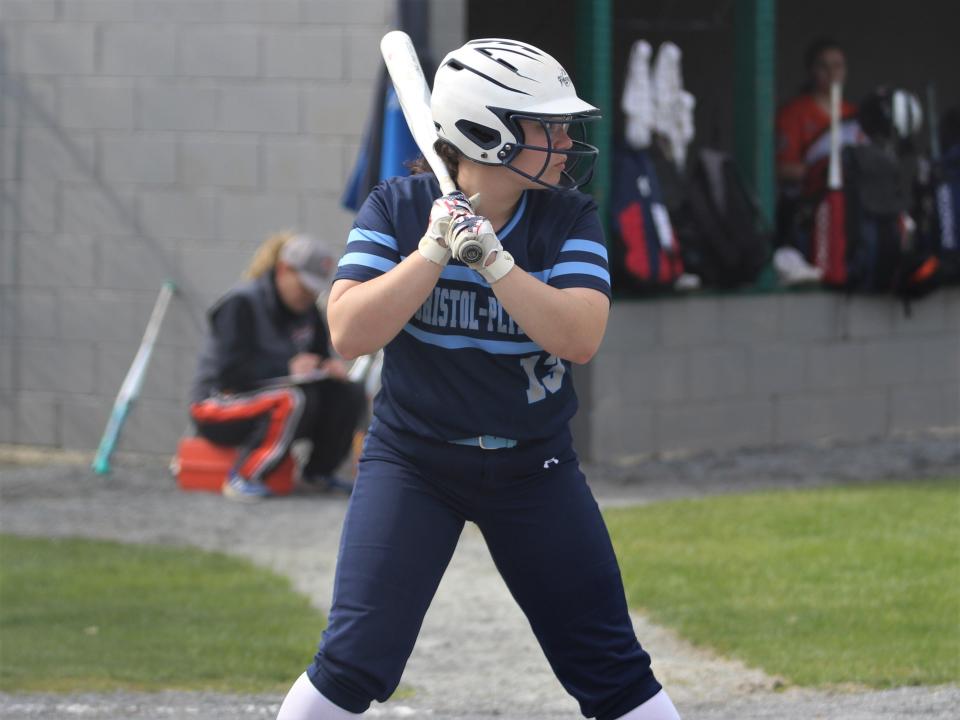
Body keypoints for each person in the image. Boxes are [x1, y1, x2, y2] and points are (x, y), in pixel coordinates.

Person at [275, 39, 681, 720]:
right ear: (487, 135)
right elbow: (348, 331)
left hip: (534, 468)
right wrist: (432, 251)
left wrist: (495, 261)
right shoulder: (400, 207)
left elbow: (579, 337)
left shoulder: (566, 216)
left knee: (613, 672)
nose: (562, 141)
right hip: (414, 462)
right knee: (352, 661)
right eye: (545, 126)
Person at [189, 231, 367, 501]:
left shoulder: (307, 311)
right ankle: (243, 477)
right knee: (293, 398)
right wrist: (286, 367)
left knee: (347, 392)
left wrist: (328, 367)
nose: (309, 295)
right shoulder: (241, 302)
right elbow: (230, 373)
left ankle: (317, 474)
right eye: (304, 286)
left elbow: (319, 357)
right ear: (283, 269)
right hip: (215, 405)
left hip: (273, 403)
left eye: (314, 289)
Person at [775, 37, 865, 249]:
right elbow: (781, 168)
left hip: (850, 207)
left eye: (837, 66)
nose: (831, 72)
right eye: (823, 66)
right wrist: (823, 173)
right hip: (808, 208)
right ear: (811, 71)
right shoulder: (794, 113)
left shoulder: (855, 116)